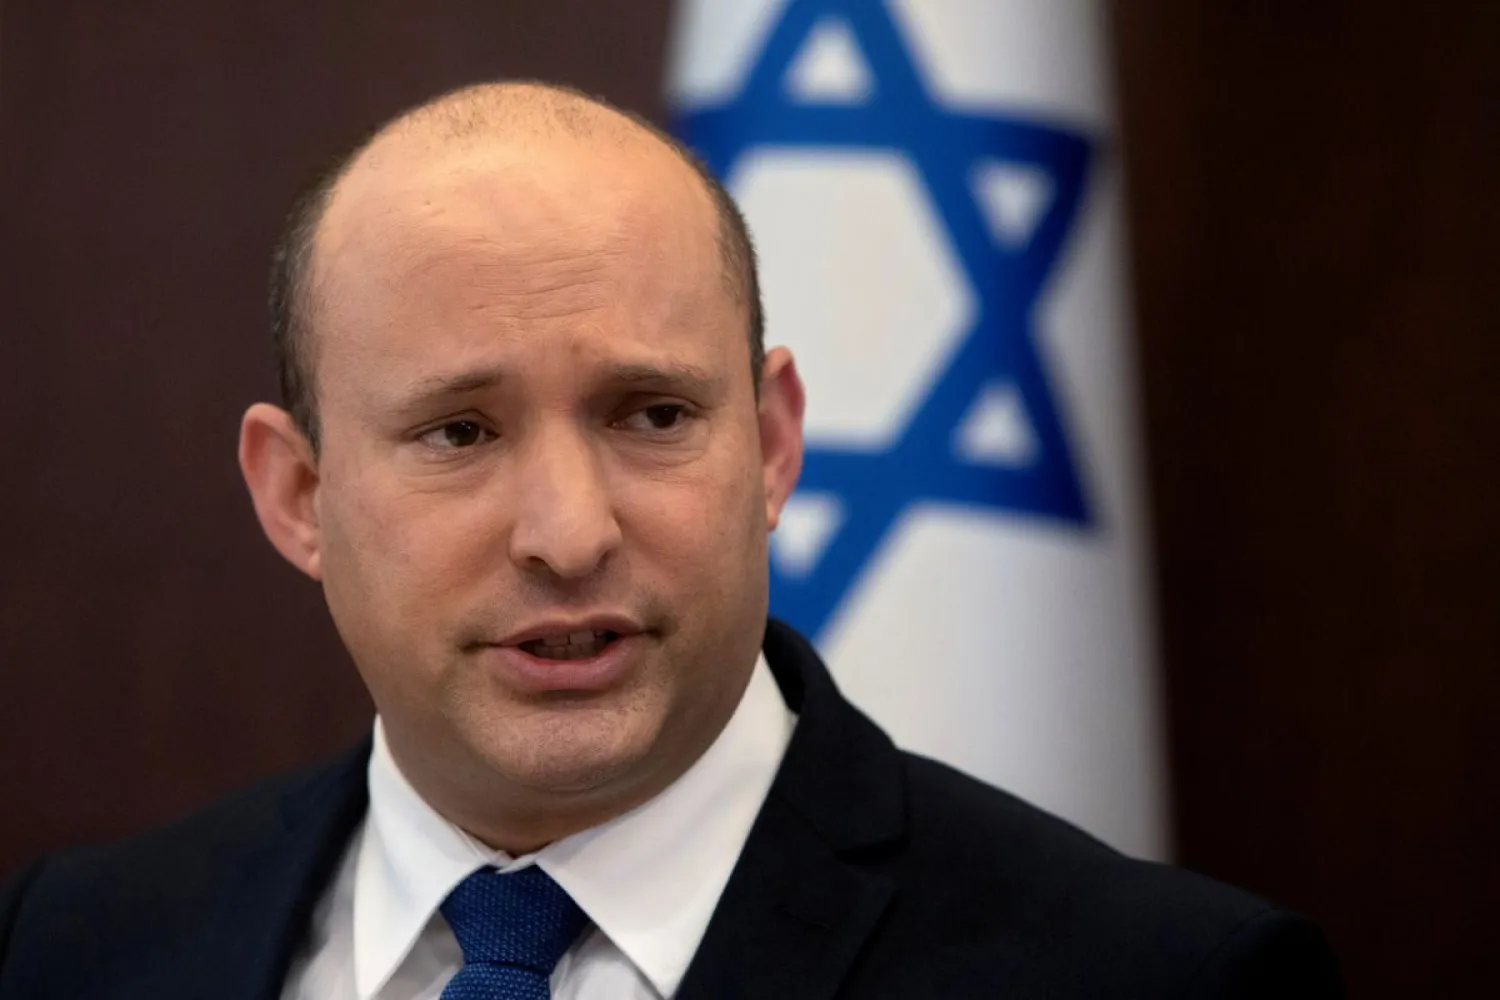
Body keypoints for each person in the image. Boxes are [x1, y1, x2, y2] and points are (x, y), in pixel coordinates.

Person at [0, 81, 1342, 999]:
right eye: (460, 434)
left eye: (651, 414)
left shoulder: (1151, 979)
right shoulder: (68, 950)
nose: (570, 534)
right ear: (296, 494)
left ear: (769, 446)